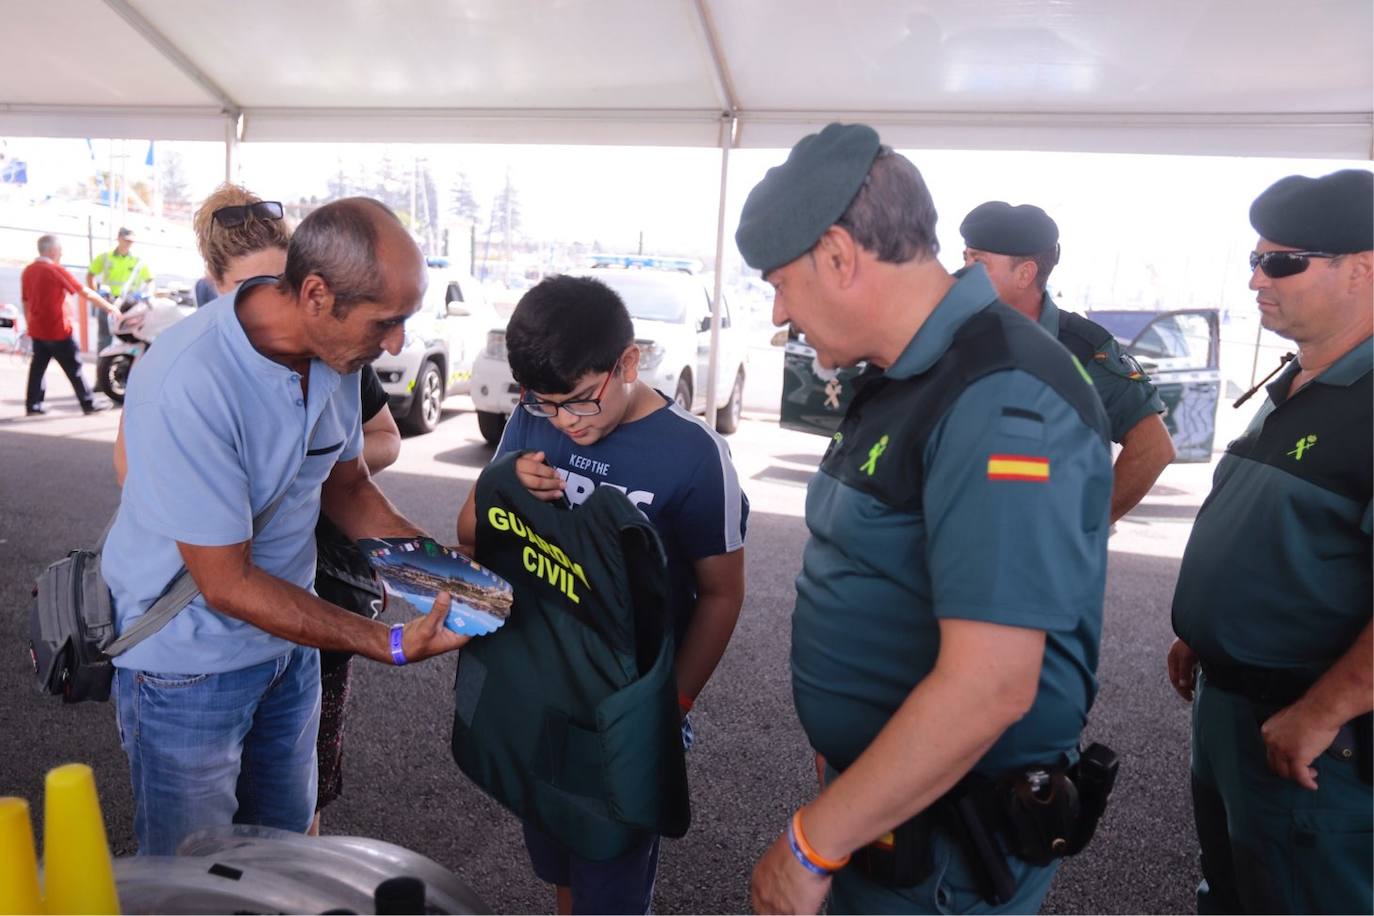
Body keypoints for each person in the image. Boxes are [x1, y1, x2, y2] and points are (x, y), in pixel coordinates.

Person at [737, 123, 1112, 915]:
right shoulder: (918, 372)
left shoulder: (1001, 394)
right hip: (891, 809)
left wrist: (812, 843)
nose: (778, 313)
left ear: (838, 255)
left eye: (781, 284)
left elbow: (990, 686)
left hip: (946, 852)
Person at [103, 197, 464, 856]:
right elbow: (228, 583)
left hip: (289, 654)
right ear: (317, 295)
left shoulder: (333, 356)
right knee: (196, 878)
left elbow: (347, 488)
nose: (396, 345)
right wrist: (386, 642)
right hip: (189, 669)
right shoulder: (192, 378)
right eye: (386, 322)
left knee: (285, 857)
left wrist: (454, 584)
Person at [456, 274, 748, 915]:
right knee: (562, 864)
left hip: (625, 712)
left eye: (580, 401)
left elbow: (722, 594)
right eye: (544, 404)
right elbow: (471, 535)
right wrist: (504, 481)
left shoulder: (693, 455)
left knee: (611, 882)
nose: (565, 422)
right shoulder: (531, 425)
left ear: (628, 363)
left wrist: (671, 706)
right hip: (542, 695)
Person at [1167, 168, 1372, 914]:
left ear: (1362, 269)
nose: (1256, 278)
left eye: (1282, 262)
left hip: (1315, 732)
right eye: (1256, 260)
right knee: (1232, 890)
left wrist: (1320, 712)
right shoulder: (1298, 383)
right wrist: (1205, 634)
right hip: (1231, 705)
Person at [960, 201, 1175, 522]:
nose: (963, 273)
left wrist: (1085, 527)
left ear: (1024, 273)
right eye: (964, 257)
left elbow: (1153, 448)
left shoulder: (1081, 350)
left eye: (978, 262)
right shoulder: (951, 332)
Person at [21, 233, 118, 415]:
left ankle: (33, 405)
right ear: (52, 250)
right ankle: (88, 403)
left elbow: (25, 301)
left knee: (37, 369)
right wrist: (109, 307)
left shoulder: (28, 271)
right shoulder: (54, 270)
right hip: (58, 329)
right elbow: (84, 292)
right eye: (60, 249)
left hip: (37, 330)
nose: (61, 253)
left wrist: (29, 325)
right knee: (74, 368)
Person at [87, 227, 154, 351]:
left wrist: (147, 294)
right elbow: (91, 274)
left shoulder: (138, 261)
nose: (128, 243)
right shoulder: (105, 257)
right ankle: (103, 362)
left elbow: (150, 280)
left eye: (131, 241)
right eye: (125, 240)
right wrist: (96, 294)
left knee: (131, 337)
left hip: (129, 304)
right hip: (108, 302)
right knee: (105, 338)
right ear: (118, 239)